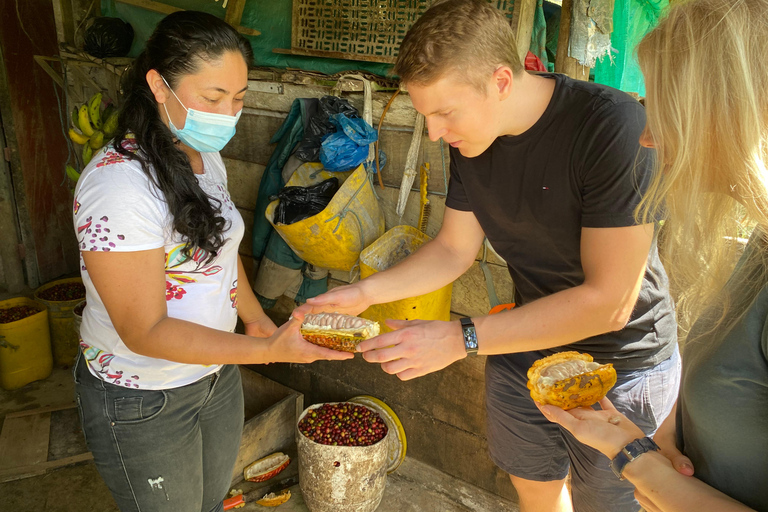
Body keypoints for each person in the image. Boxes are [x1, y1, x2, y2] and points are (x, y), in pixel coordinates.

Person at [300, 1, 681, 511]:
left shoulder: (610, 126)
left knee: (613, 504)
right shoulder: (470, 137)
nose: (435, 132)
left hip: (623, 361)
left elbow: (608, 301)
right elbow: (454, 249)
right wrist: (363, 293)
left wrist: (464, 338)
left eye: (444, 113)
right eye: (424, 114)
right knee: (535, 489)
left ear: (502, 80)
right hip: (520, 345)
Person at [72, 11, 351, 512]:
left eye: (239, 98)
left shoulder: (204, 155)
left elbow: (219, 255)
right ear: (159, 85)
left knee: (209, 501)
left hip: (216, 376)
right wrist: (269, 352)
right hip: (144, 396)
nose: (228, 114)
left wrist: (258, 319)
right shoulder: (118, 186)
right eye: (212, 98)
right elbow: (144, 331)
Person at [537, 0, 768, 510]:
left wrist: (633, 459)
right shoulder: (760, 249)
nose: (646, 136)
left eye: (661, 109)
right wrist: (661, 433)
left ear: (729, 114)